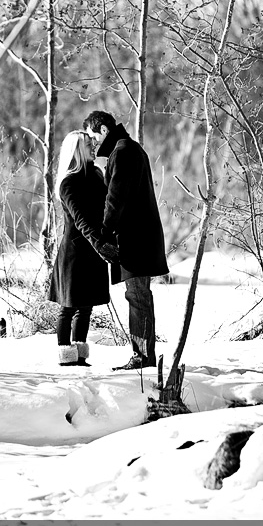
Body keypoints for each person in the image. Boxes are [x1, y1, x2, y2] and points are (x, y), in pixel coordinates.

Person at [83, 111, 169, 370]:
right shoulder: (128, 149)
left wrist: (104, 233)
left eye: (92, 136)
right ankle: (143, 357)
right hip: (139, 237)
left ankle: (142, 359)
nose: (92, 142)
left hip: (136, 239)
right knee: (139, 296)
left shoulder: (123, 152)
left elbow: (116, 199)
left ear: (104, 131)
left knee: (138, 297)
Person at [49, 130, 119, 367]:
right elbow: (81, 219)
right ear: (76, 150)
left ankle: (79, 357)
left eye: (92, 142)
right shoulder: (68, 183)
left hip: (94, 250)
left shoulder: (97, 175)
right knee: (68, 307)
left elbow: (106, 210)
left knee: (86, 307)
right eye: (88, 144)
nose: (93, 146)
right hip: (75, 253)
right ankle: (66, 357)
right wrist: (100, 244)